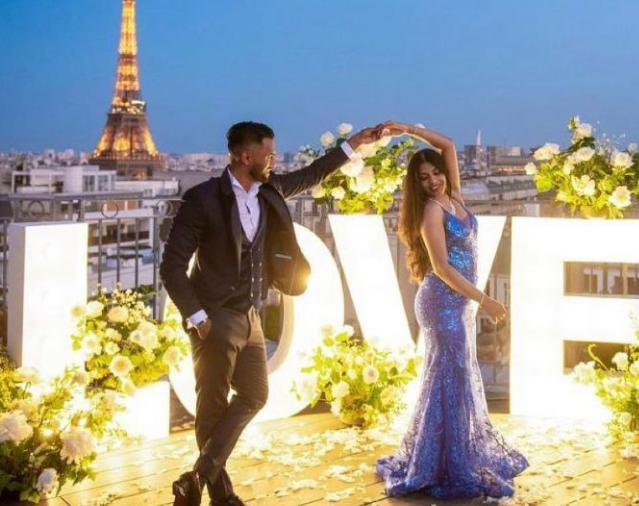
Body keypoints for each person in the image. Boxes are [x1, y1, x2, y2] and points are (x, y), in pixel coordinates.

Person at [160, 120, 382, 506]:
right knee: (211, 409)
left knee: (256, 394)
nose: (274, 159)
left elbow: (313, 174)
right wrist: (196, 317)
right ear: (246, 156)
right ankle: (223, 497)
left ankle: (196, 479)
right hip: (213, 318)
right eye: (269, 153)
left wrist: (355, 145)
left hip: (250, 315)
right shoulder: (202, 199)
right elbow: (171, 265)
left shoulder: (269, 191)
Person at [375, 121, 529, 499]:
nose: (433, 181)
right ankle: (445, 463)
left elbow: (446, 143)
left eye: (436, 173)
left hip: (458, 303)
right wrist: (485, 299)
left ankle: (445, 457)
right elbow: (442, 269)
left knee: (450, 380)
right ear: (418, 184)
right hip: (441, 303)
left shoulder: (455, 196)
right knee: (451, 379)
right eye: (424, 177)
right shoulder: (430, 210)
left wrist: (406, 129)